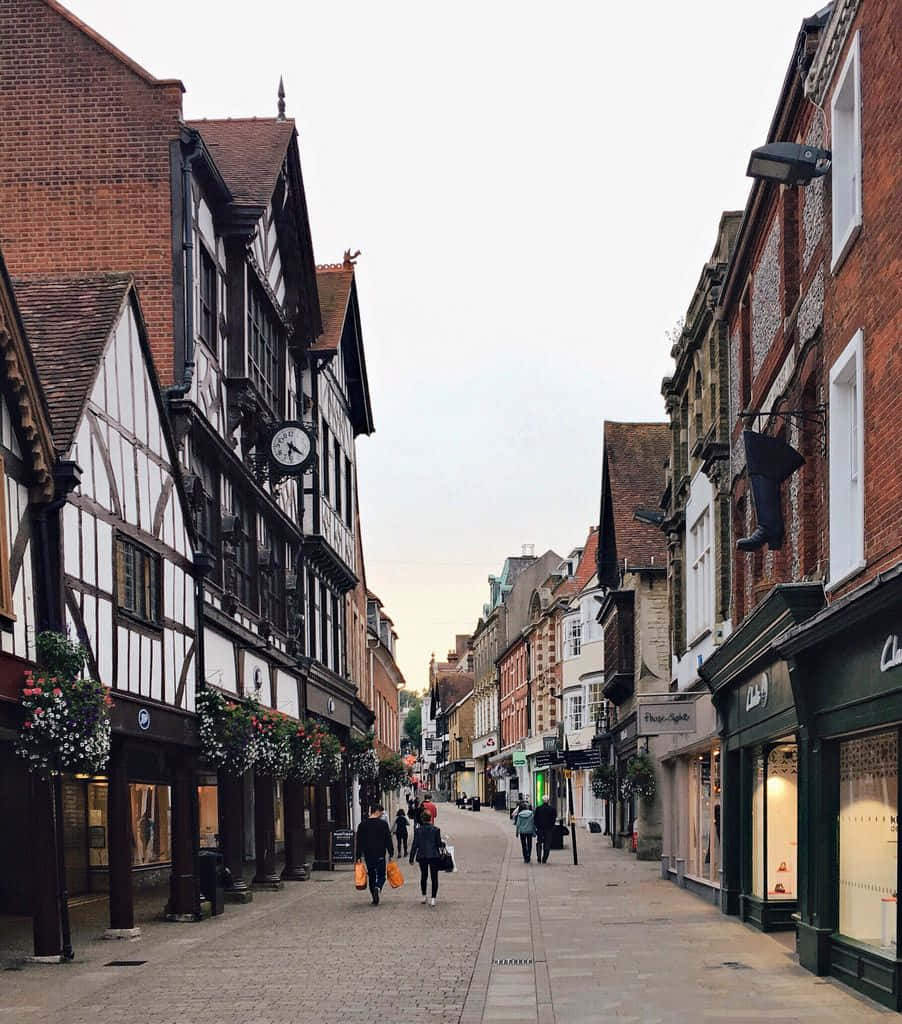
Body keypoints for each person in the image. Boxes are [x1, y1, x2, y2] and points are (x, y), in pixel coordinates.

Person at [355, 804, 394, 905]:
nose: (381, 814)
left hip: (368, 854)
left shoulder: (362, 825)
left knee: (371, 874)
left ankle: (373, 896)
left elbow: (359, 841)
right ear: (376, 811)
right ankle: (378, 887)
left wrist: (358, 855)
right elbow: (388, 840)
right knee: (381, 875)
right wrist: (391, 852)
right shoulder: (383, 824)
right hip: (380, 853)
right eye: (381, 812)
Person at [409, 809, 443, 906]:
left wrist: (411, 857)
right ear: (430, 818)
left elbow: (415, 844)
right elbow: (439, 844)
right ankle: (433, 898)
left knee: (424, 876)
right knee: (434, 877)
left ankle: (424, 896)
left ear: (422, 819)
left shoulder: (418, 830)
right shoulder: (436, 830)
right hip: (433, 855)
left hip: (422, 855)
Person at [534, 795, 556, 864]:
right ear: (548, 801)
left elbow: (535, 819)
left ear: (542, 801)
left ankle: (539, 857)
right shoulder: (552, 809)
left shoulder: (538, 808)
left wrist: (537, 827)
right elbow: (554, 819)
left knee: (539, 842)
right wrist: (551, 826)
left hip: (540, 829)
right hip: (549, 829)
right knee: (547, 843)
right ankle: (544, 858)